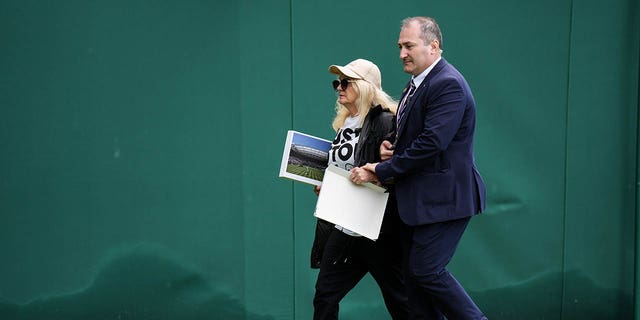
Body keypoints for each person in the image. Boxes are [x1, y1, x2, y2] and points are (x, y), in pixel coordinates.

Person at [350, 17, 488, 319]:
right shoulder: (417, 84)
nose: (402, 53)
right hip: (418, 201)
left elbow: (431, 143)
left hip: (445, 200)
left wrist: (381, 170)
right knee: (414, 282)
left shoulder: (447, 84)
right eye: (400, 46)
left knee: (426, 271)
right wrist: (390, 144)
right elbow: (410, 132)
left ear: (434, 46)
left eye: (409, 46)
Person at [311, 58, 410, 320]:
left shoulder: (386, 122)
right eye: (337, 83)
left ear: (366, 87)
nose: (339, 88)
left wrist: (377, 175)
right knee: (324, 296)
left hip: (377, 230)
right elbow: (346, 171)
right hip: (344, 227)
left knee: (401, 301)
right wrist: (330, 187)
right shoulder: (345, 124)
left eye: (345, 82)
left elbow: (399, 171)